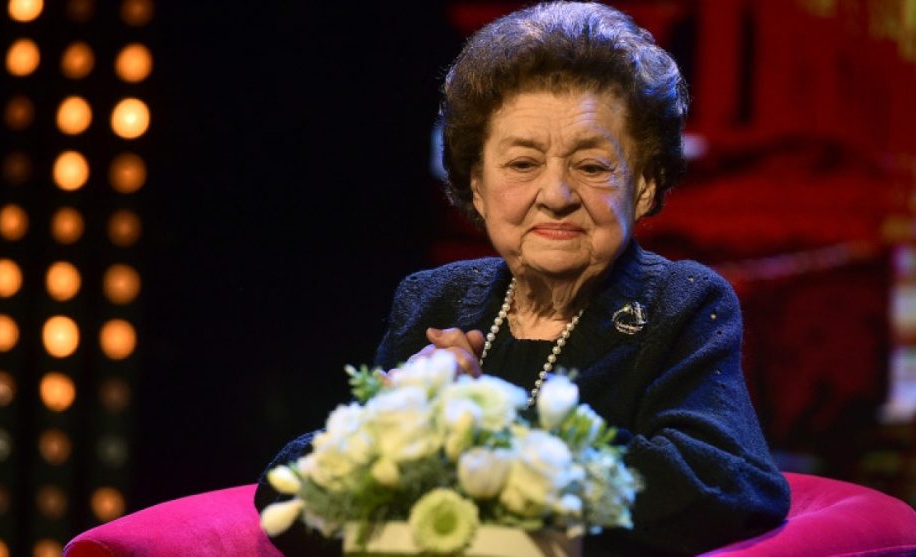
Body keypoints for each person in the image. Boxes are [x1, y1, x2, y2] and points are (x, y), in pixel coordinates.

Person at [258, 2, 790, 555]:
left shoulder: (680, 305)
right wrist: (399, 414)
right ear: (477, 186)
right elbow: (291, 488)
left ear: (644, 187)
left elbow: (726, 481)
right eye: (522, 164)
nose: (556, 196)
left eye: (591, 166)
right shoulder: (433, 301)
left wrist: (471, 430)